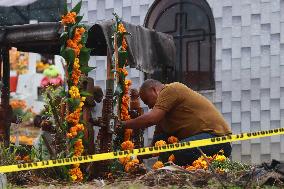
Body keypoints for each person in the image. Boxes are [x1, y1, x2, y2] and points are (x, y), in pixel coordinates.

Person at [121, 79, 232, 166]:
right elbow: (155, 147)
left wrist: (123, 125)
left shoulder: (171, 89)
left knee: (178, 151)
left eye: (147, 101)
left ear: (154, 90)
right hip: (202, 143)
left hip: (218, 140)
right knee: (164, 155)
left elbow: (151, 119)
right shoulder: (163, 116)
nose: (149, 106)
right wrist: (132, 155)